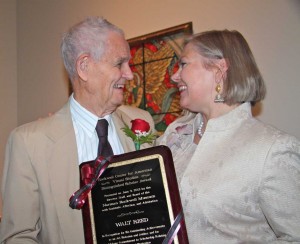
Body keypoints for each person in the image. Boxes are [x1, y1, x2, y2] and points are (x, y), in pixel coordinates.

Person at [0, 17, 155, 243]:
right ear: (84, 67)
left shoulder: (142, 121)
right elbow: (18, 236)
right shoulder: (29, 143)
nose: (129, 74)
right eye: (119, 63)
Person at [158, 30, 300, 243]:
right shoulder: (174, 137)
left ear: (219, 69)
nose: (174, 76)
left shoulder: (273, 149)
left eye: (183, 64)